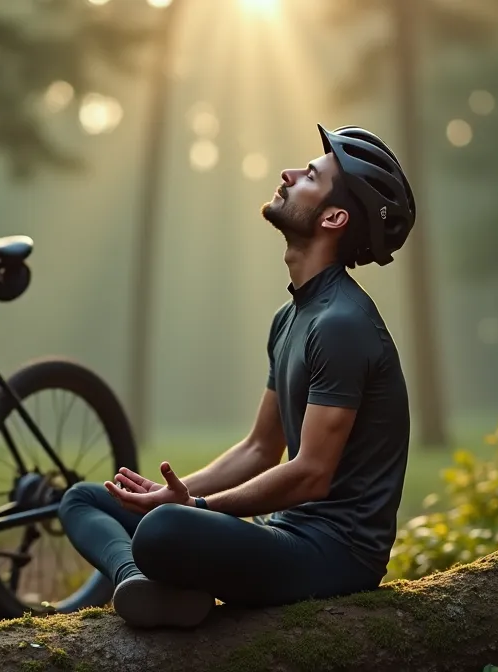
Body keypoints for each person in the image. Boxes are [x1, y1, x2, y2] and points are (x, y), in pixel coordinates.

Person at [57, 123, 415, 629]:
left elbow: (312, 472)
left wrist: (198, 507)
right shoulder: (292, 317)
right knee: (84, 499)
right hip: (288, 534)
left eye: (310, 175)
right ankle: (139, 580)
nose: (289, 175)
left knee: (164, 530)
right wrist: (172, 496)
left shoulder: (342, 325)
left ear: (334, 217)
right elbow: (258, 449)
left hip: (335, 556)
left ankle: (151, 572)